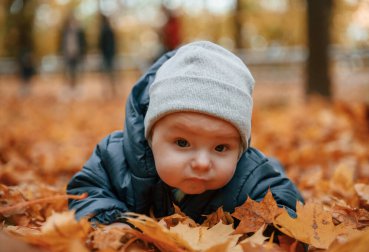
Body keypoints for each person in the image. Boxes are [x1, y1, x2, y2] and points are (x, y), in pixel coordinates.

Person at [67, 41, 303, 224]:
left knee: (270, 167)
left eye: (220, 148)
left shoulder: (248, 174)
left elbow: (286, 204)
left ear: (240, 149)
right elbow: (87, 190)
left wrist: (273, 231)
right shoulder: (115, 158)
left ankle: (274, 163)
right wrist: (112, 223)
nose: (201, 163)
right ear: (150, 136)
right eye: (182, 143)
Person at [60, 14, 86, 94]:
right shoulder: (65, 32)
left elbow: (83, 43)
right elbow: (62, 43)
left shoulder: (79, 32)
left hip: (76, 54)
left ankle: (76, 89)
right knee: (68, 72)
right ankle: (69, 88)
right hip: (68, 55)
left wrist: (82, 53)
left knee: (76, 72)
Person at [98, 14, 117, 98]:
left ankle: (109, 90)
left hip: (107, 55)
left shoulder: (104, 30)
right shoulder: (110, 29)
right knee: (111, 73)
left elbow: (101, 44)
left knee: (107, 73)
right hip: (110, 54)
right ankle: (112, 90)